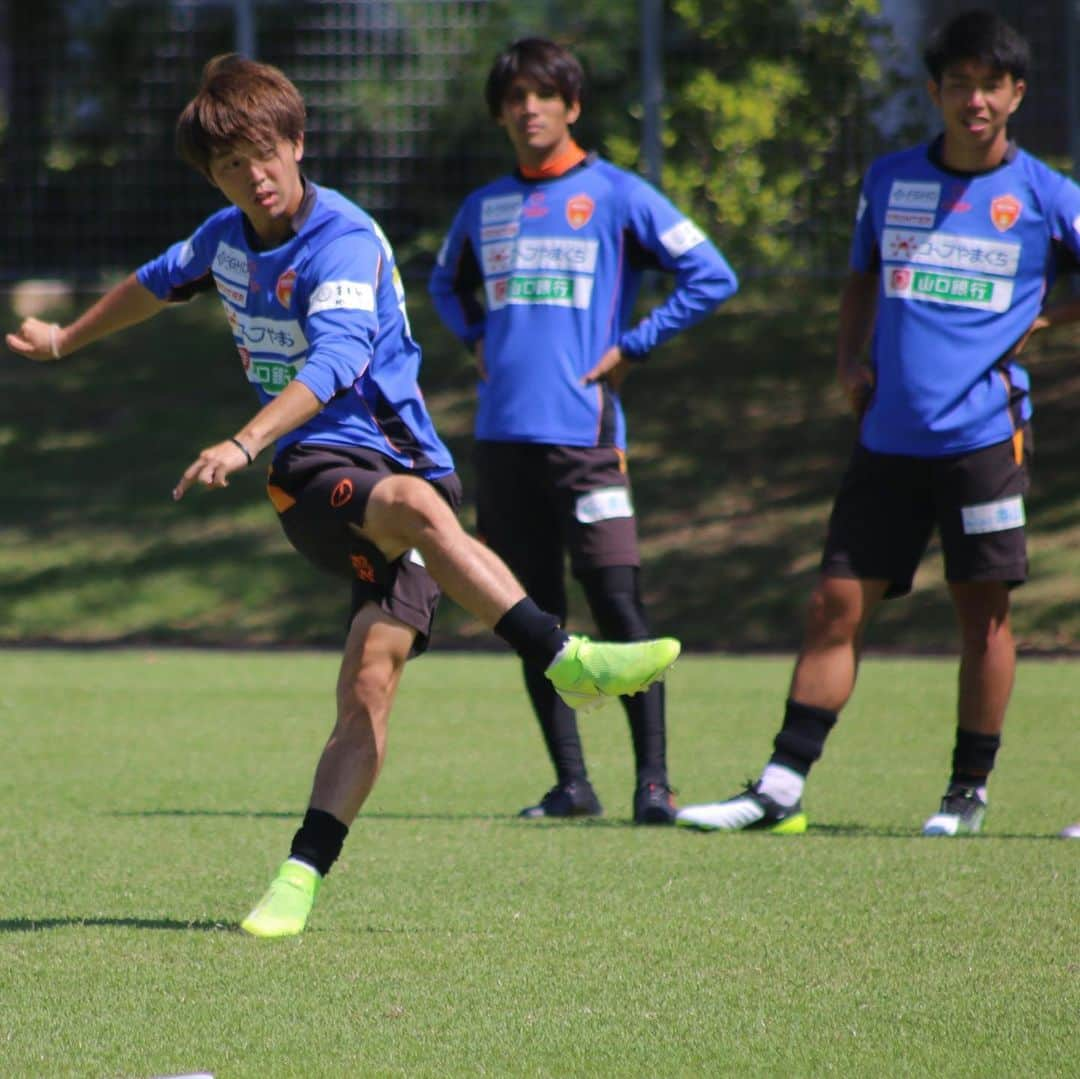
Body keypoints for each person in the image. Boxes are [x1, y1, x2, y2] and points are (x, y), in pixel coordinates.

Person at [5, 54, 682, 936]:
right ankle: (566, 659)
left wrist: (242, 437)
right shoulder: (224, 238)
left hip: (400, 463)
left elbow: (334, 359)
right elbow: (151, 283)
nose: (251, 177)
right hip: (315, 467)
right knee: (418, 509)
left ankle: (297, 878)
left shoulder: (346, 241)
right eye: (227, 168)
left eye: (261, 154)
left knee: (370, 683)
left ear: (295, 141)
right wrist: (66, 341)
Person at [677, 10, 1080, 837]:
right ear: (934, 91)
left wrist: (1048, 320)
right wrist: (848, 361)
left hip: (983, 441)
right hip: (888, 438)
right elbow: (860, 278)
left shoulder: (1045, 194)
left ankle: (966, 793)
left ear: (1016, 95)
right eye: (958, 83)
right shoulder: (891, 180)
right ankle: (780, 789)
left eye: (990, 84)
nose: (975, 99)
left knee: (984, 614)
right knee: (833, 603)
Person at [428, 38, 738, 825]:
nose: (528, 108)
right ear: (500, 112)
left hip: (586, 439)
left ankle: (655, 783)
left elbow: (713, 274)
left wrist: (634, 344)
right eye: (514, 97)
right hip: (502, 441)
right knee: (532, 614)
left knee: (620, 605)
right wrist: (474, 341)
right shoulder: (484, 207)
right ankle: (573, 784)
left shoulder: (618, 195)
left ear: (572, 105)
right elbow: (441, 282)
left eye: (544, 95)